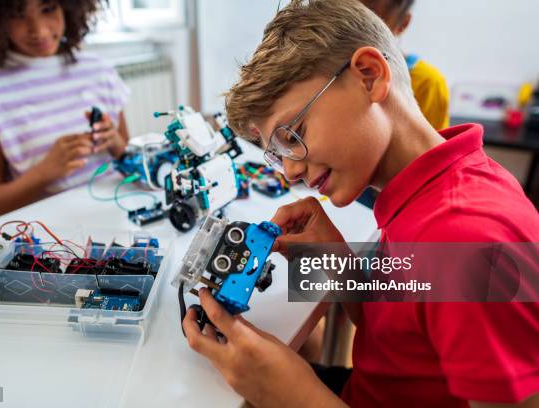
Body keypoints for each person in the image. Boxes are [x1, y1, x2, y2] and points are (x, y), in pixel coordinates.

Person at [182, 1, 539, 407]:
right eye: (278, 155)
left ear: (369, 76)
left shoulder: (467, 240)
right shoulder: (426, 192)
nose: (291, 174)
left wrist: (298, 398)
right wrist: (337, 264)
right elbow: (402, 334)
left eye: (293, 134)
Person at [0, 0, 130, 217]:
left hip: (120, 214)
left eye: (48, 9)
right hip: (52, 235)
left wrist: (115, 143)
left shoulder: (99, 70)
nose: (39, 30)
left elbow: (130, 160)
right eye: (17, 14)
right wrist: (45, 172)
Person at [361, 0, 450, 131]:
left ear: (403, 24)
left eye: (375, 26)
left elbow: (435, 148)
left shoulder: (428, 83)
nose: (358, 33)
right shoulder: (330, 69)